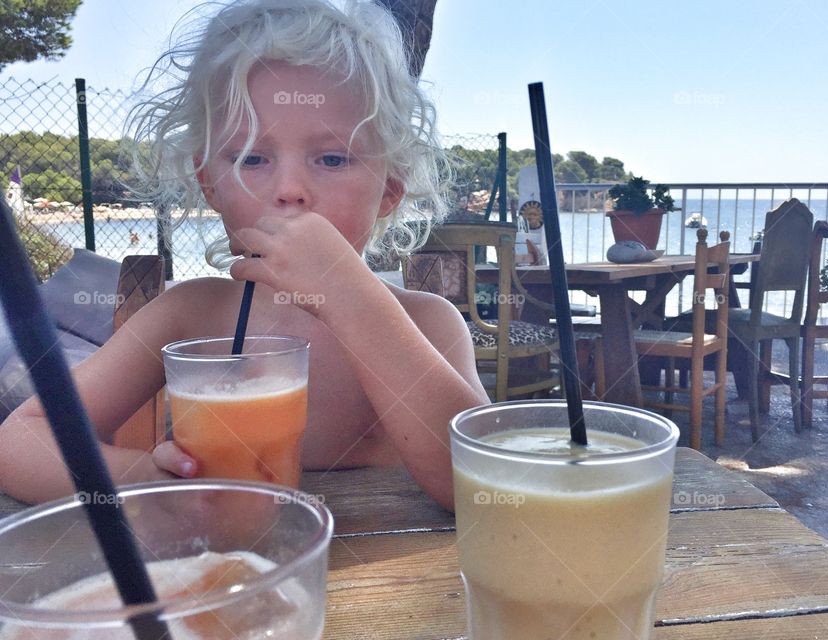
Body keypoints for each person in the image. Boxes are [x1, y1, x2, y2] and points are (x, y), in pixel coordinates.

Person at [0, 0, 489, 510]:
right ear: (210, 185)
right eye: (252, 158)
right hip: (225, 557)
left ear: (389, 189)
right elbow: (19, 442)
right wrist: (146, 484)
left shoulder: (428, 324)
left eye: (331, 158)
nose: (290, 189)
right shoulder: (191, 315)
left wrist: (350, 296)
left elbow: (481, 484)